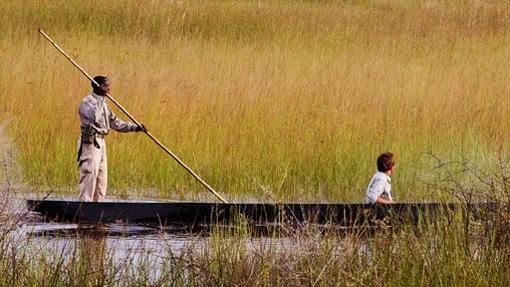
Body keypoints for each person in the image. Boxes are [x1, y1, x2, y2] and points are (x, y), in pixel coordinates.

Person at [77, 75, 147, 202]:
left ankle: (98, 207)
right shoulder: (87, 102)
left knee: (101, 179)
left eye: (108, 86)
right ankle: (84, 207)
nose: (108, 89)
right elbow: (95, 118)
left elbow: (115, 123)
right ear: (97, 86)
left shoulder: (104, 104)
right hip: (90, 143)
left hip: (101, 143)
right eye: (105, 86)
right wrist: (100, 101)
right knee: (90, 174)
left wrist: (135, 128)